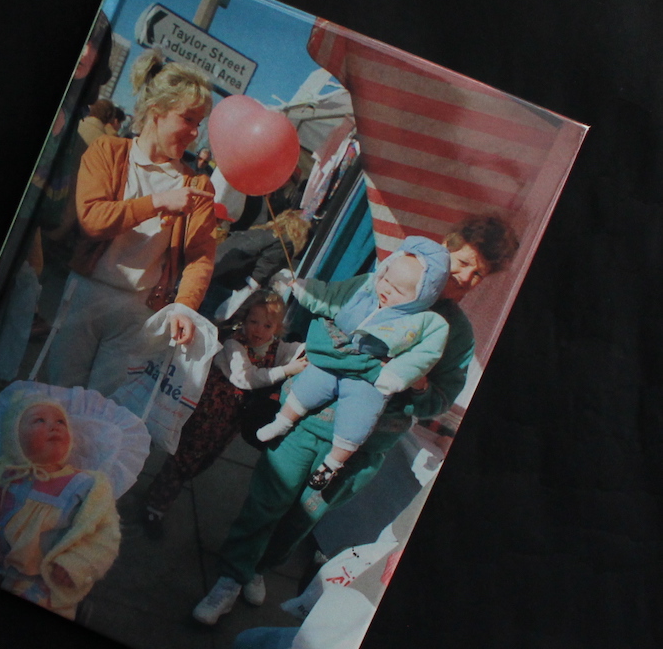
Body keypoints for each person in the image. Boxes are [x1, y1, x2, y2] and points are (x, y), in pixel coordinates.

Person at [192, 215, 519, 624]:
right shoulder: (380, 281)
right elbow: (323, 323)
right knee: (267, 501)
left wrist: (418, 386)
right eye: (465, 262)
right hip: (309, 422)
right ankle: (230, 576)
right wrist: (363, 363)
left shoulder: (456, 333)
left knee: (303, 517)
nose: (467, 277)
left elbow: (440, 399)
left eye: (479, 274)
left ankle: (258, 567)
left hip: (359, 449)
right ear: (445, 247)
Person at [46, 50, 217, 396]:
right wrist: (157, 202)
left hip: (140, 311)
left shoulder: (197, 185)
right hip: (86, 292)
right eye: (188, 119)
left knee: (103, 407)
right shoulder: (107, 152)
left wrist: (184, 306)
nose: (194, 133)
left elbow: (201, 255)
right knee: (56, 396)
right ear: (157, 111)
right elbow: (92, 220)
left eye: (199, 123)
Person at [256, 237, 450, 495]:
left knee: (358, 418)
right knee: (308, 386)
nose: (386, 289)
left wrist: (397, 374)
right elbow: (331, 296)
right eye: (386, 279)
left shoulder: (426, 321)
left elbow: (423, 355)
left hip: (369, 379)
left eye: (399, 291)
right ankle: (282, 421)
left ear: (422, 296)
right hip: (333, 362)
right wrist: (304, 290)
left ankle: (332, 464)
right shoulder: (366, 287)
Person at [140, 290, 307, 538]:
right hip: (209, 411)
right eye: (253, 321)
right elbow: (246, 378)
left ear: (277, 328)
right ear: (244, 319)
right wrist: (286, 370)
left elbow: (294, 350)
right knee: (184, 459)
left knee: (204, 459)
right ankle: (154, 506)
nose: (259, 330)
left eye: (267, 325)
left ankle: (160, 494)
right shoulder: (234, 345)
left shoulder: (274, 346)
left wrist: (317, 348)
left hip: (231, 419)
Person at [0, 393, 121, 620]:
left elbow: (105, 536)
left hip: (42, 574)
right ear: (14, 438)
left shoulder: (89, 486)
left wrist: (76, 564)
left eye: (61, 422)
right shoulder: (4, 472)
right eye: (40, 420)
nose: (54, 427)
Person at [200, 208, 312, 320]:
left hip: (211, 271)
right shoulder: (284, 243)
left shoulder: (260, 231)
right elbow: (260, 274)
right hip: (227, 284)